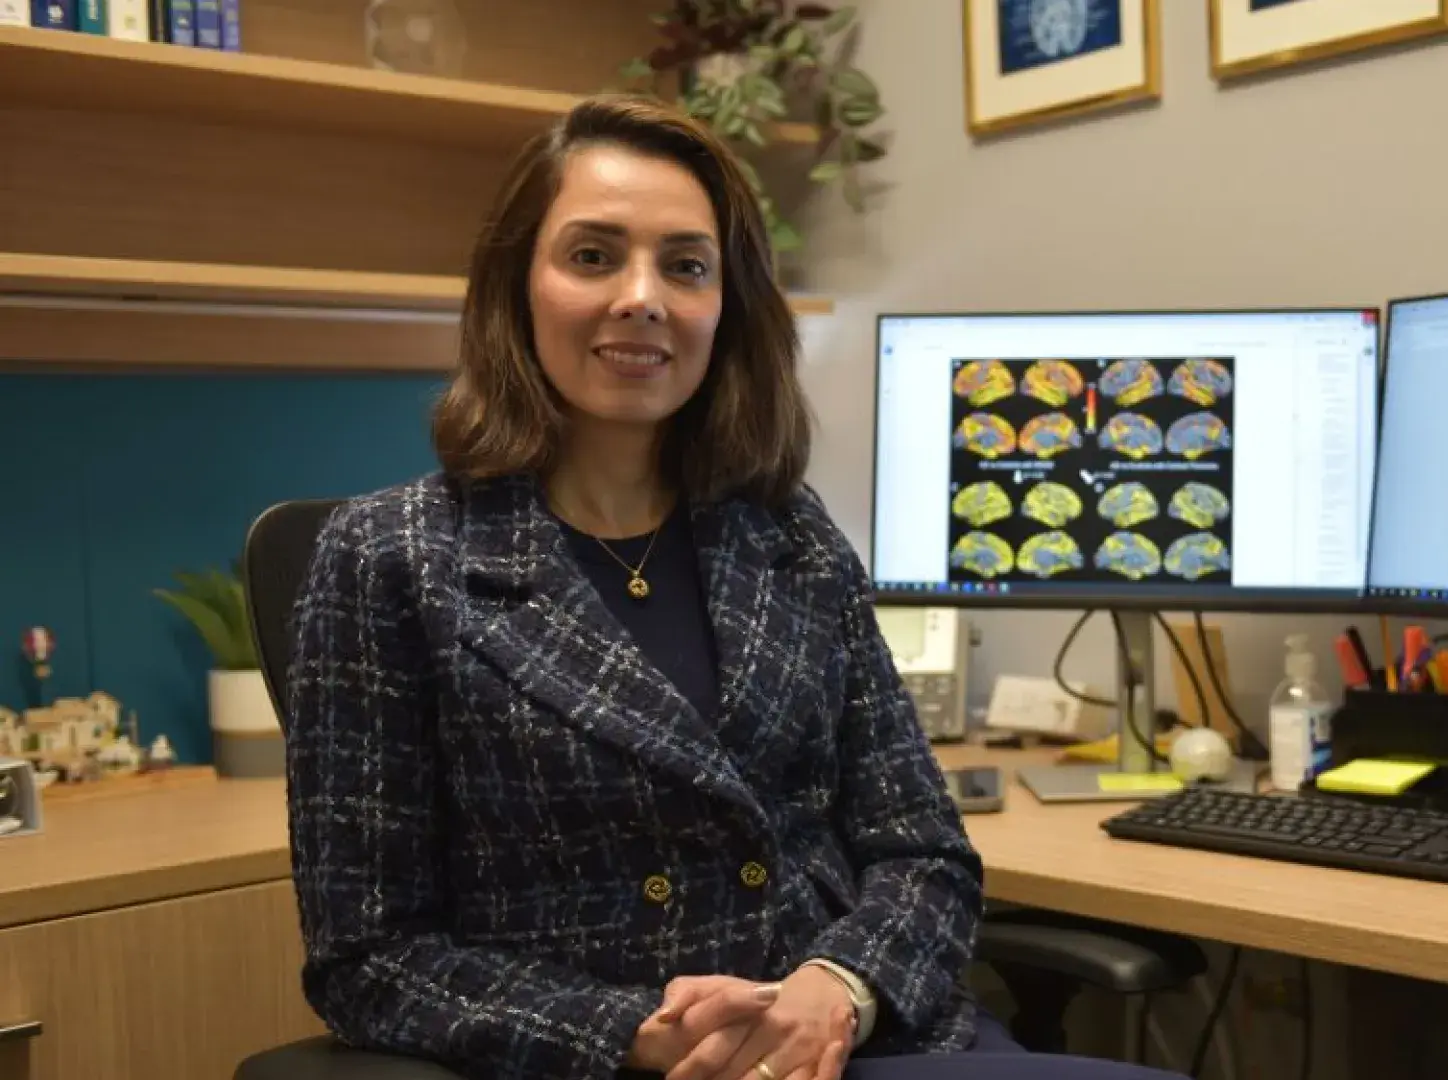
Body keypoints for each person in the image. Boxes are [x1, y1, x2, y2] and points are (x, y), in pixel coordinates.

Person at [283, 95, 1184, 1080]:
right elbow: (370, 961)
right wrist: (636, 1030)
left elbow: (924, 853)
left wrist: (837, 987)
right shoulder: (387, 558)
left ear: (727, 304)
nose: (643, 296)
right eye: (593, 256)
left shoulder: (789, 535)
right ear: (516, 287)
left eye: (686, 264)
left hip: (845, 1041)